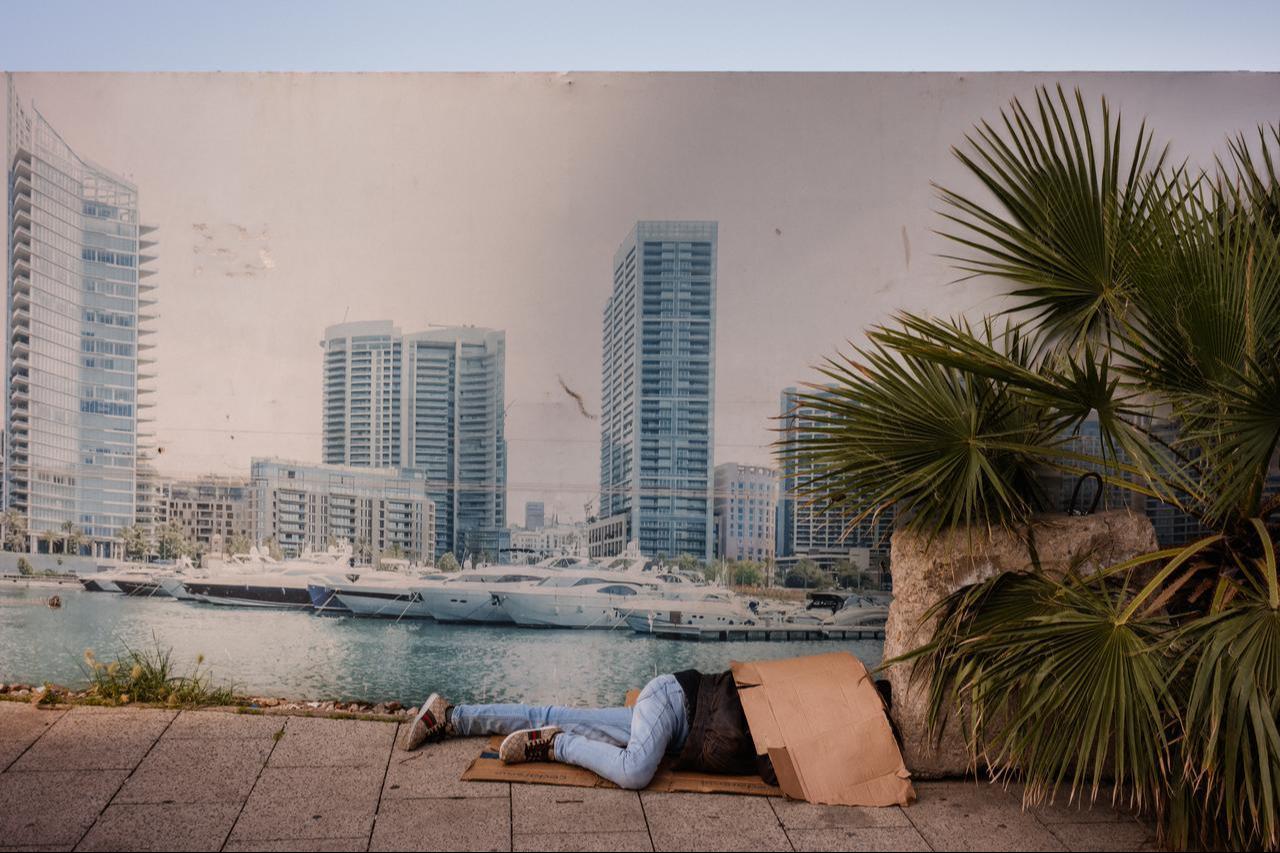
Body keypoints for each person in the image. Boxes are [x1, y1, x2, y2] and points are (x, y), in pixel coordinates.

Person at [400, 669, 775, 790]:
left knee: (551, 713)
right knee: (635, 771)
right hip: (673, 703)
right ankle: (558, 746)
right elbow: (771, 767)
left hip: (669, 727)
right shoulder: (782, 710)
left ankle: (450, 716)